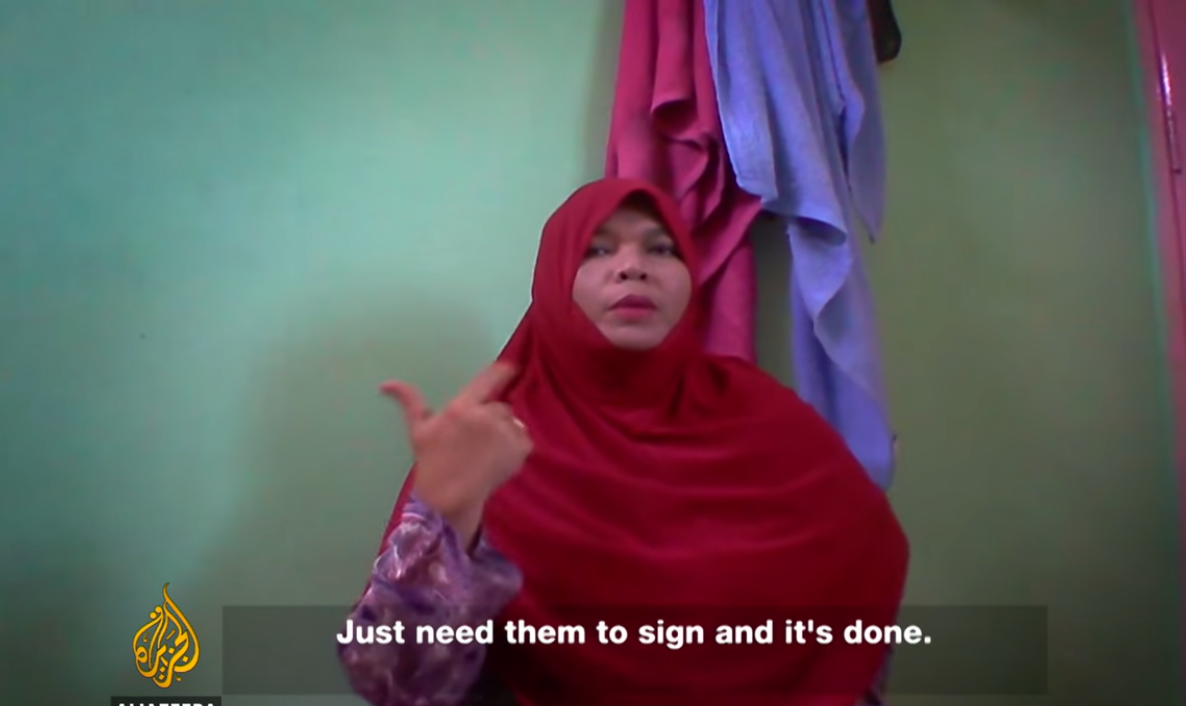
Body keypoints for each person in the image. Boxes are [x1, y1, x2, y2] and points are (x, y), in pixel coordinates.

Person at [337, 178, 909, 706]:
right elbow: (391, 682)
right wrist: (446, 520)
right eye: (596, 250)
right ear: (555, 279)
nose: (633, 267)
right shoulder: (487, 442)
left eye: (661, 249)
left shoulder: (768, 420)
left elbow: (864, 581)